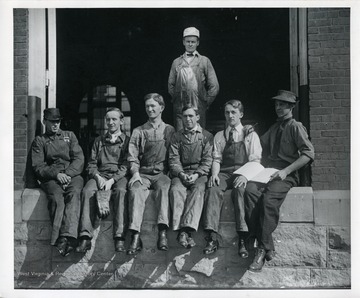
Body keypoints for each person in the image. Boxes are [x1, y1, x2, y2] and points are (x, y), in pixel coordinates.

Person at [245, 90, 315, 272]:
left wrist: (286, 171)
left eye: (282, 104)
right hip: (270, 171)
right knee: (250, 190)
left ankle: (261, 249)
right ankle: (267, 244)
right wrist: (251, 131)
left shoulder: (295, 126)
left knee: (268, 200)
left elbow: (308, 154)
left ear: (291, 107)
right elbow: (261, 142)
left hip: (286, 173)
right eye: (276, 104)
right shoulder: (275, 128)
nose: (278, 108)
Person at [202, 100, 262, 257]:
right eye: (227, 112)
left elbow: (255, 160)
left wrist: (245, 175)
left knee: (240, 191)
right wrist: (214, 174)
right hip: (225, 172)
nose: (230, 116)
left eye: (233, 112)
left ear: (241, 114)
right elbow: (216, 159)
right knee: (213, 189)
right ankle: (212, 237)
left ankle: (243, 238)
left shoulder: (250, 135)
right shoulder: (220, 135)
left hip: (243, 170)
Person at [75, 108, 130, 253]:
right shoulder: (99, 141)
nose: (111, 123)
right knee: (87, 191)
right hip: (101, 174)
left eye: (114, 119)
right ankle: (85, 236)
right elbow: (91, 164)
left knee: (121, 191)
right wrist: (98, 177)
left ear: (121, 121)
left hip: (119, 176)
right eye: (108, 120)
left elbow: (126, 165)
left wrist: (112, 180)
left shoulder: (127, 141)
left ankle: (119, 236)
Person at [31, 108, 84, 256]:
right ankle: (60, 238)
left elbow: (79, 159)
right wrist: (57, 175)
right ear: (44, 121)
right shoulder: (39, 141)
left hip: (72, 175)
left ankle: (66, 237)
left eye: (58, 121)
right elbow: (38, 166)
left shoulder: (69, 136)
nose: (55, 125)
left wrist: (66, 174)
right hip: (51, 178)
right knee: (56, 199)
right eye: (52, 122)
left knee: (74, 193)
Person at [127, 93, 175, 255]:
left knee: (164, 188)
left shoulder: (169, 130)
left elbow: (173, 155)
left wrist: (169, 173)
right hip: (143, 174)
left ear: (161, 108)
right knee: (136, 191)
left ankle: (162, 232)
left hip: (161, 173)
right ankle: (135, 235)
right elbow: (132, 156)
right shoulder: (139, 131)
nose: (150, 109)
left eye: (153, 106)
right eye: (147, 106)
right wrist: (135, 173)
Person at [169, 104, 213, 248]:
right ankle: (182, 230)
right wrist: (181, 174)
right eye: (185, 116)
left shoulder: (206, 136)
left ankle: (185, 230)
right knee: (176, 189)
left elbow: (207, 161)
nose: (187, 119)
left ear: (198, 117)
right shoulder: (176, 137)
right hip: (181, 173)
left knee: (199, 190)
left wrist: (197, 174)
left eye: (191, 116)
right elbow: (173, 159)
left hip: (199, 174)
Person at [168, 26, 219, 131]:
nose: (190, 44)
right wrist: (177, 100)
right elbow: (170, 85)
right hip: (180, 110)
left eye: (193, 41)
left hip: (198, 109)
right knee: (180, 137)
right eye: (188, 41)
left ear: (198, 43)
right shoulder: (176, 62)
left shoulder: (204, 61)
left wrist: (205, 103)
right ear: (183, 42)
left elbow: (214, 86)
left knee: (198, 137)